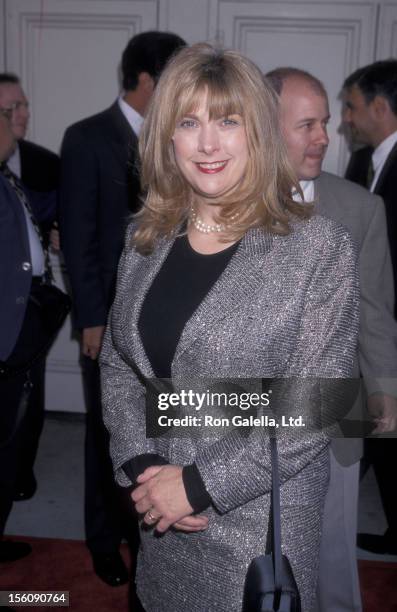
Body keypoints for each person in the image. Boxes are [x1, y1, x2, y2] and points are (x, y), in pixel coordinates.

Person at [100, 43, 359, 612]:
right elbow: (121, 364)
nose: (208, 143)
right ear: (167, 136)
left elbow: (319, 403)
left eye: (228, 121)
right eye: (189, 122)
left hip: (257, 531)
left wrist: (194, 486)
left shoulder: (316, 249)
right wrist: (143, 467)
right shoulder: (144, 241)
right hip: (160, 515)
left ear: (257, 134)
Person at [266, 66, 397, 612]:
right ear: (265, 126)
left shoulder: (360, 208)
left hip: (332, 411)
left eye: (325, 122)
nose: (325, 136)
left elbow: (375, 314)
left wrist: (385, 389)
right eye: (307, 125)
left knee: (331, 563)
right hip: (235, 406)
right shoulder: (218, 199)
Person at [59, 31, 186, 587]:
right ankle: (103, 538)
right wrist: (91, 318)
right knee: (108, 433)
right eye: (173, 79)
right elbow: (82, 237)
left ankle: (151, 528)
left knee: (162, 430)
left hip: (169, 319)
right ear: (145, 80)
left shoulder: (178, 138)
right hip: (108, 321)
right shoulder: (87, 138)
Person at [343, 60, 397, 557]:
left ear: (380, 107)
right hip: (370, 324)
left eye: (351, 107)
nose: (345, 120)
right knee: (373, 429)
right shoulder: (360, 164)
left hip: (389, 323)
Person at [0, 73, 60, 503]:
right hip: (5, 311)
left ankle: (18, 478)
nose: (21, 115)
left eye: (22, 107)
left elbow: (54, 212)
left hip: (33, 309)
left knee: (28, 405)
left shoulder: (41, 161)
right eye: (9, 110)